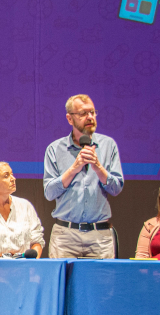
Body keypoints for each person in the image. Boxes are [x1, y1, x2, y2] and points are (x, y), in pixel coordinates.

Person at [43, 94, 124, 258]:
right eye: (83, 114)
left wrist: (98, 167)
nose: (90, 117)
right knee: (64, 283)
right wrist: (74, 168)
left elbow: (116, 188)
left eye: (93, 113)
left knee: (101, 283)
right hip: (65, 236)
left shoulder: (108, 145)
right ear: (69, 119)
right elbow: (49, 193)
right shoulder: (55, 149)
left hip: (99, 236)